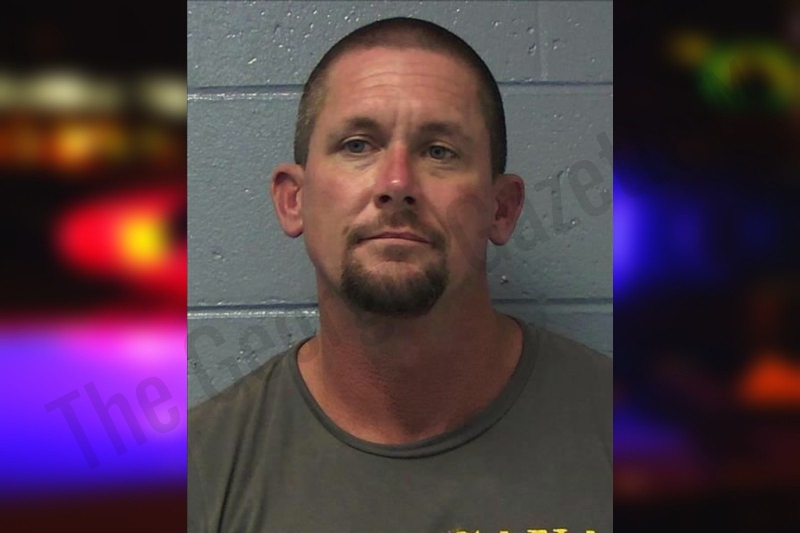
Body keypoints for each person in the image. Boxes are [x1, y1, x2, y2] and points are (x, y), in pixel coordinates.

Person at [188, 17, 611, 533]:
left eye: (439, 151)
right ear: (294, 200)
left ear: (501, 209)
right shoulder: (202, 471)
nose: (396, 183)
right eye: (357, 145)